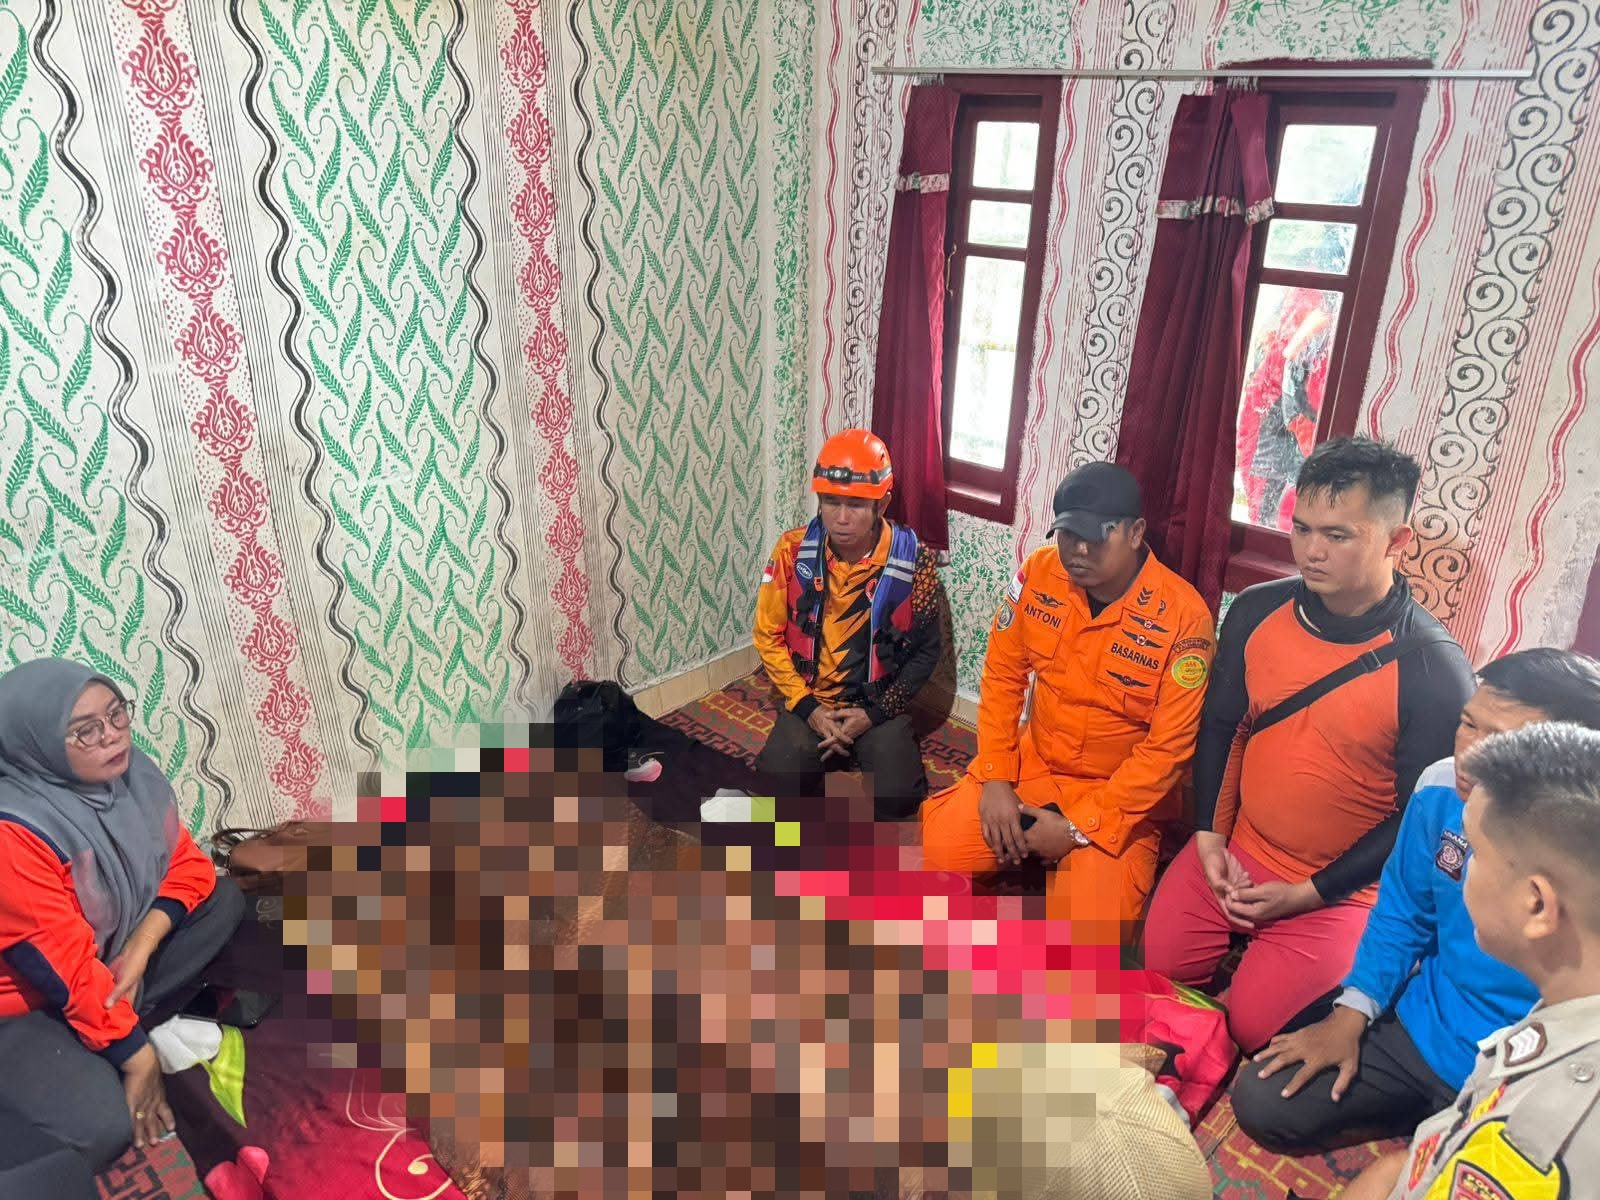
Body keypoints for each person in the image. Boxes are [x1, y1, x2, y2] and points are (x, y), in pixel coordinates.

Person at [1142, 438, 1475, 1052]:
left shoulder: (1434, 672)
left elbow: (1417, 820)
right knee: (1158, 971)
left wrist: (1307, 894)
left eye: (1338, 535)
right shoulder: (1256, 611)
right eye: (1301, 529)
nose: (1311, 551)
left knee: (1254, 1029)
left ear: (1397, 541)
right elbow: (1223, 726)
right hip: (1238, 850)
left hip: (1339, 892)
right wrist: (1209, 837)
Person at [1232, 649, 1600, 1151]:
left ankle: (1437, 1130)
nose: (1470, 755)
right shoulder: (1440, 788)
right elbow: (1404, 909)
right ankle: (1429, 1122)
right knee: (1263, 1098)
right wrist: (1352, 1012)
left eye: (1501, 742)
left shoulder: (1581, 856)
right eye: (1468, 724)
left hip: (1529, 1068)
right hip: (1428, 1027)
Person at [920, 462, 1215, 943]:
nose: (1079, 549)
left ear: (1136, 533)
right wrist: (995, 776)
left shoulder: (1184, 618)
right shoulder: (1039, 572)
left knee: (1083, 942)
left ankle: (1058, 851)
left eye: (1097, 536)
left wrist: (1078, 829)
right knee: (937, 852)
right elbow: (1003, 676)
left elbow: (1168, 752)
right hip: (1035, 764)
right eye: (1069, 534)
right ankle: (1033, 843)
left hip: (1116, 795)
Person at [0, 659, 245, 1170]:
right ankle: (104, 1038)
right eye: (85, 730)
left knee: (223, 901)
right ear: (35, 744)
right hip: (27, 1002)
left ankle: (106, 1030)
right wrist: (139, 1058)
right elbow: (63, 971)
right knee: (104, 1129)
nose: (112, 735)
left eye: (116, 713)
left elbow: (187, 864)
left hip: (104, 956)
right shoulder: (13, 833)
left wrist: (142, 942)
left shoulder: (129, 775)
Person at [1340, 722, 1600, 1200]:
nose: (1461, 866)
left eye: (1475, 851)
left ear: (1536, 904)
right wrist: (1401, 1168)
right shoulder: (1566, 1003)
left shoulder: (1534, 1139)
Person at [752, 429, 943, 819]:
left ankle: (857, 747)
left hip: (877, 703)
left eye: (856, 504)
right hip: (811, 697)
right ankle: (823, 747)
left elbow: (926, 653)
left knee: (899, 800)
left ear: (882, 503)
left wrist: (874, 715)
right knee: (772, 788)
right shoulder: (791, 551)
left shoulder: (915, 561)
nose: (841, 518)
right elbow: (767, 636)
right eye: (830, 501)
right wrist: (808, 708)